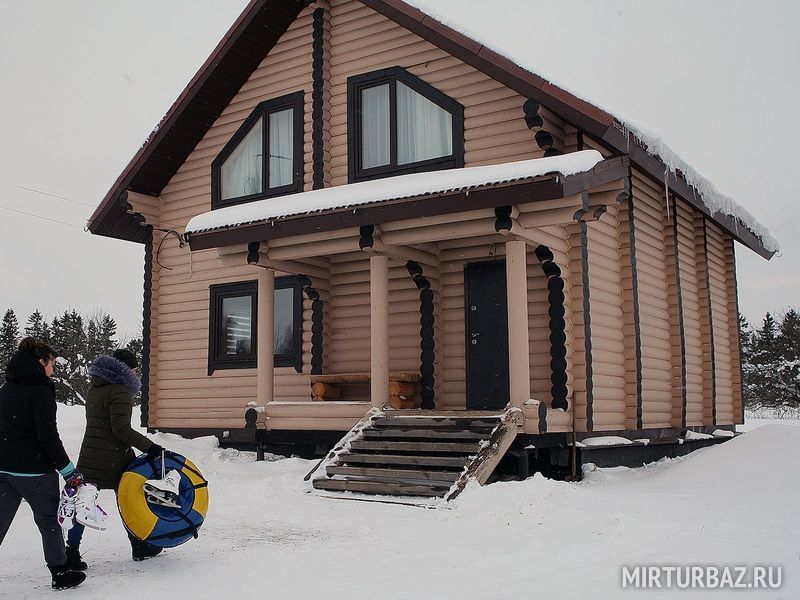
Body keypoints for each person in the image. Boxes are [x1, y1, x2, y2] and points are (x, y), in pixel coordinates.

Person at [0, 338, 86, 590]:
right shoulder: (41, 390)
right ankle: (60, 572)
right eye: (52, 364)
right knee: (49, 522)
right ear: (40, 362)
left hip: (4, 468)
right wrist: (68, 470)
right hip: (35, 472)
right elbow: (47, 436)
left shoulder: (6, 387)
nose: (53, 370)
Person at [68, 348, 166, 567]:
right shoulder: (120, 391)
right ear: (125, 369)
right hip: (114, 458)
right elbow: (121, 429)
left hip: (91, 455)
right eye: (134, 369)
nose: (135, 373)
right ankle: (139, 545)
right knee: (128, 501)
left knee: (83, 504)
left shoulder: (95, 388)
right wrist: (150, 447)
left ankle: (71, 552)